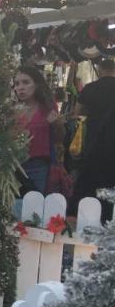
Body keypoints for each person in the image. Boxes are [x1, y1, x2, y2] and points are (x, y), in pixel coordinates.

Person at [12, 64, 61, 195]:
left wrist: (56, 124)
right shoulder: (11, 110)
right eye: (16, 84)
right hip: (13, 166)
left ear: (37, 85)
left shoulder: (48, 107)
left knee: (34, 207)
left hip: (38, 167)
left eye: (26, 82)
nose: (20, 87)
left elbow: (60, 139)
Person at [73, 58, 115, 209]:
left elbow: (77, 112)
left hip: (94, 140)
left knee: (92, 177)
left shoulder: (91, 88)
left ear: (99, 69)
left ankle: (91, 208)